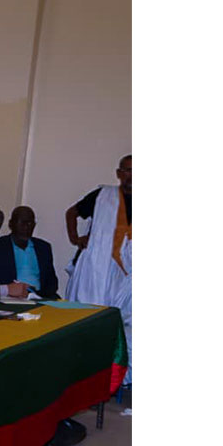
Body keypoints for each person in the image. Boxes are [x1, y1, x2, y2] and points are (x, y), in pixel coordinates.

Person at [64, 155, 132, 398]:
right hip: (96, 270)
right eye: (127, 170)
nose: (131, 176)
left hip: (128, 276)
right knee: (88, 323)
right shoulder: (103, 195)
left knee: (125, 328)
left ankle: (118, 381)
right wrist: (75, 238)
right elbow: (72, 212)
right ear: (119, 173)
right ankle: (82, 383)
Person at [0, 206, 59, 299]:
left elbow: (52, 282)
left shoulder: (43, 248)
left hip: (39, 297)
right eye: (22, 223)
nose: (26, 227)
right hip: (8, 299)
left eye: (30, 223)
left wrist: (36, 293)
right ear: (11, 224)